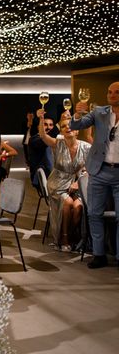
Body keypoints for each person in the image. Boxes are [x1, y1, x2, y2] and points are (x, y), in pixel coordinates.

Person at [70, 81, 119, 269]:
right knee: (94, 214)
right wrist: (76, 113)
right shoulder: (99, 112)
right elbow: (78, 124)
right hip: (99, 171)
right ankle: (99, 254)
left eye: (116, 92)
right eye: (109, 92)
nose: (112, 95)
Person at [38, 112, 90, 250]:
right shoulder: (57, 144)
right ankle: (65, 238)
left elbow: (92, 168)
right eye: (64, 126)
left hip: (77, 183)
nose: (68, 128)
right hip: (58, 183)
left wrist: (79, 182)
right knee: (67, 203)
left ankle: (70, 235)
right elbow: (43, 135)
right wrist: (41, 119)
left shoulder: (86, 147)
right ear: (61, 130)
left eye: (71, 125)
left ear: (77, 130)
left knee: (78, 207)